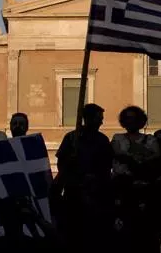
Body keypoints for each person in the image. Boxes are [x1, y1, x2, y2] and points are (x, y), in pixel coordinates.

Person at [55, 103, 113, 253]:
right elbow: (62, 165)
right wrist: (70, 163)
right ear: (88, 119)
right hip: (73, 196)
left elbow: (106, 168)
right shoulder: (71, 138)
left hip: (96, 197)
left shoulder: (102, 140)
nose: (101, 122)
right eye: (99, 118)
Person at [111, 106, 161, 253]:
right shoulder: (118, 138)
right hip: (123, 190)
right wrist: (140, 158)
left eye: (134, 118)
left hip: (144, 192)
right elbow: (118, 154)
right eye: (127, 118)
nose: (130, 121)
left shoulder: (151, 139)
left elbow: (156, 159)